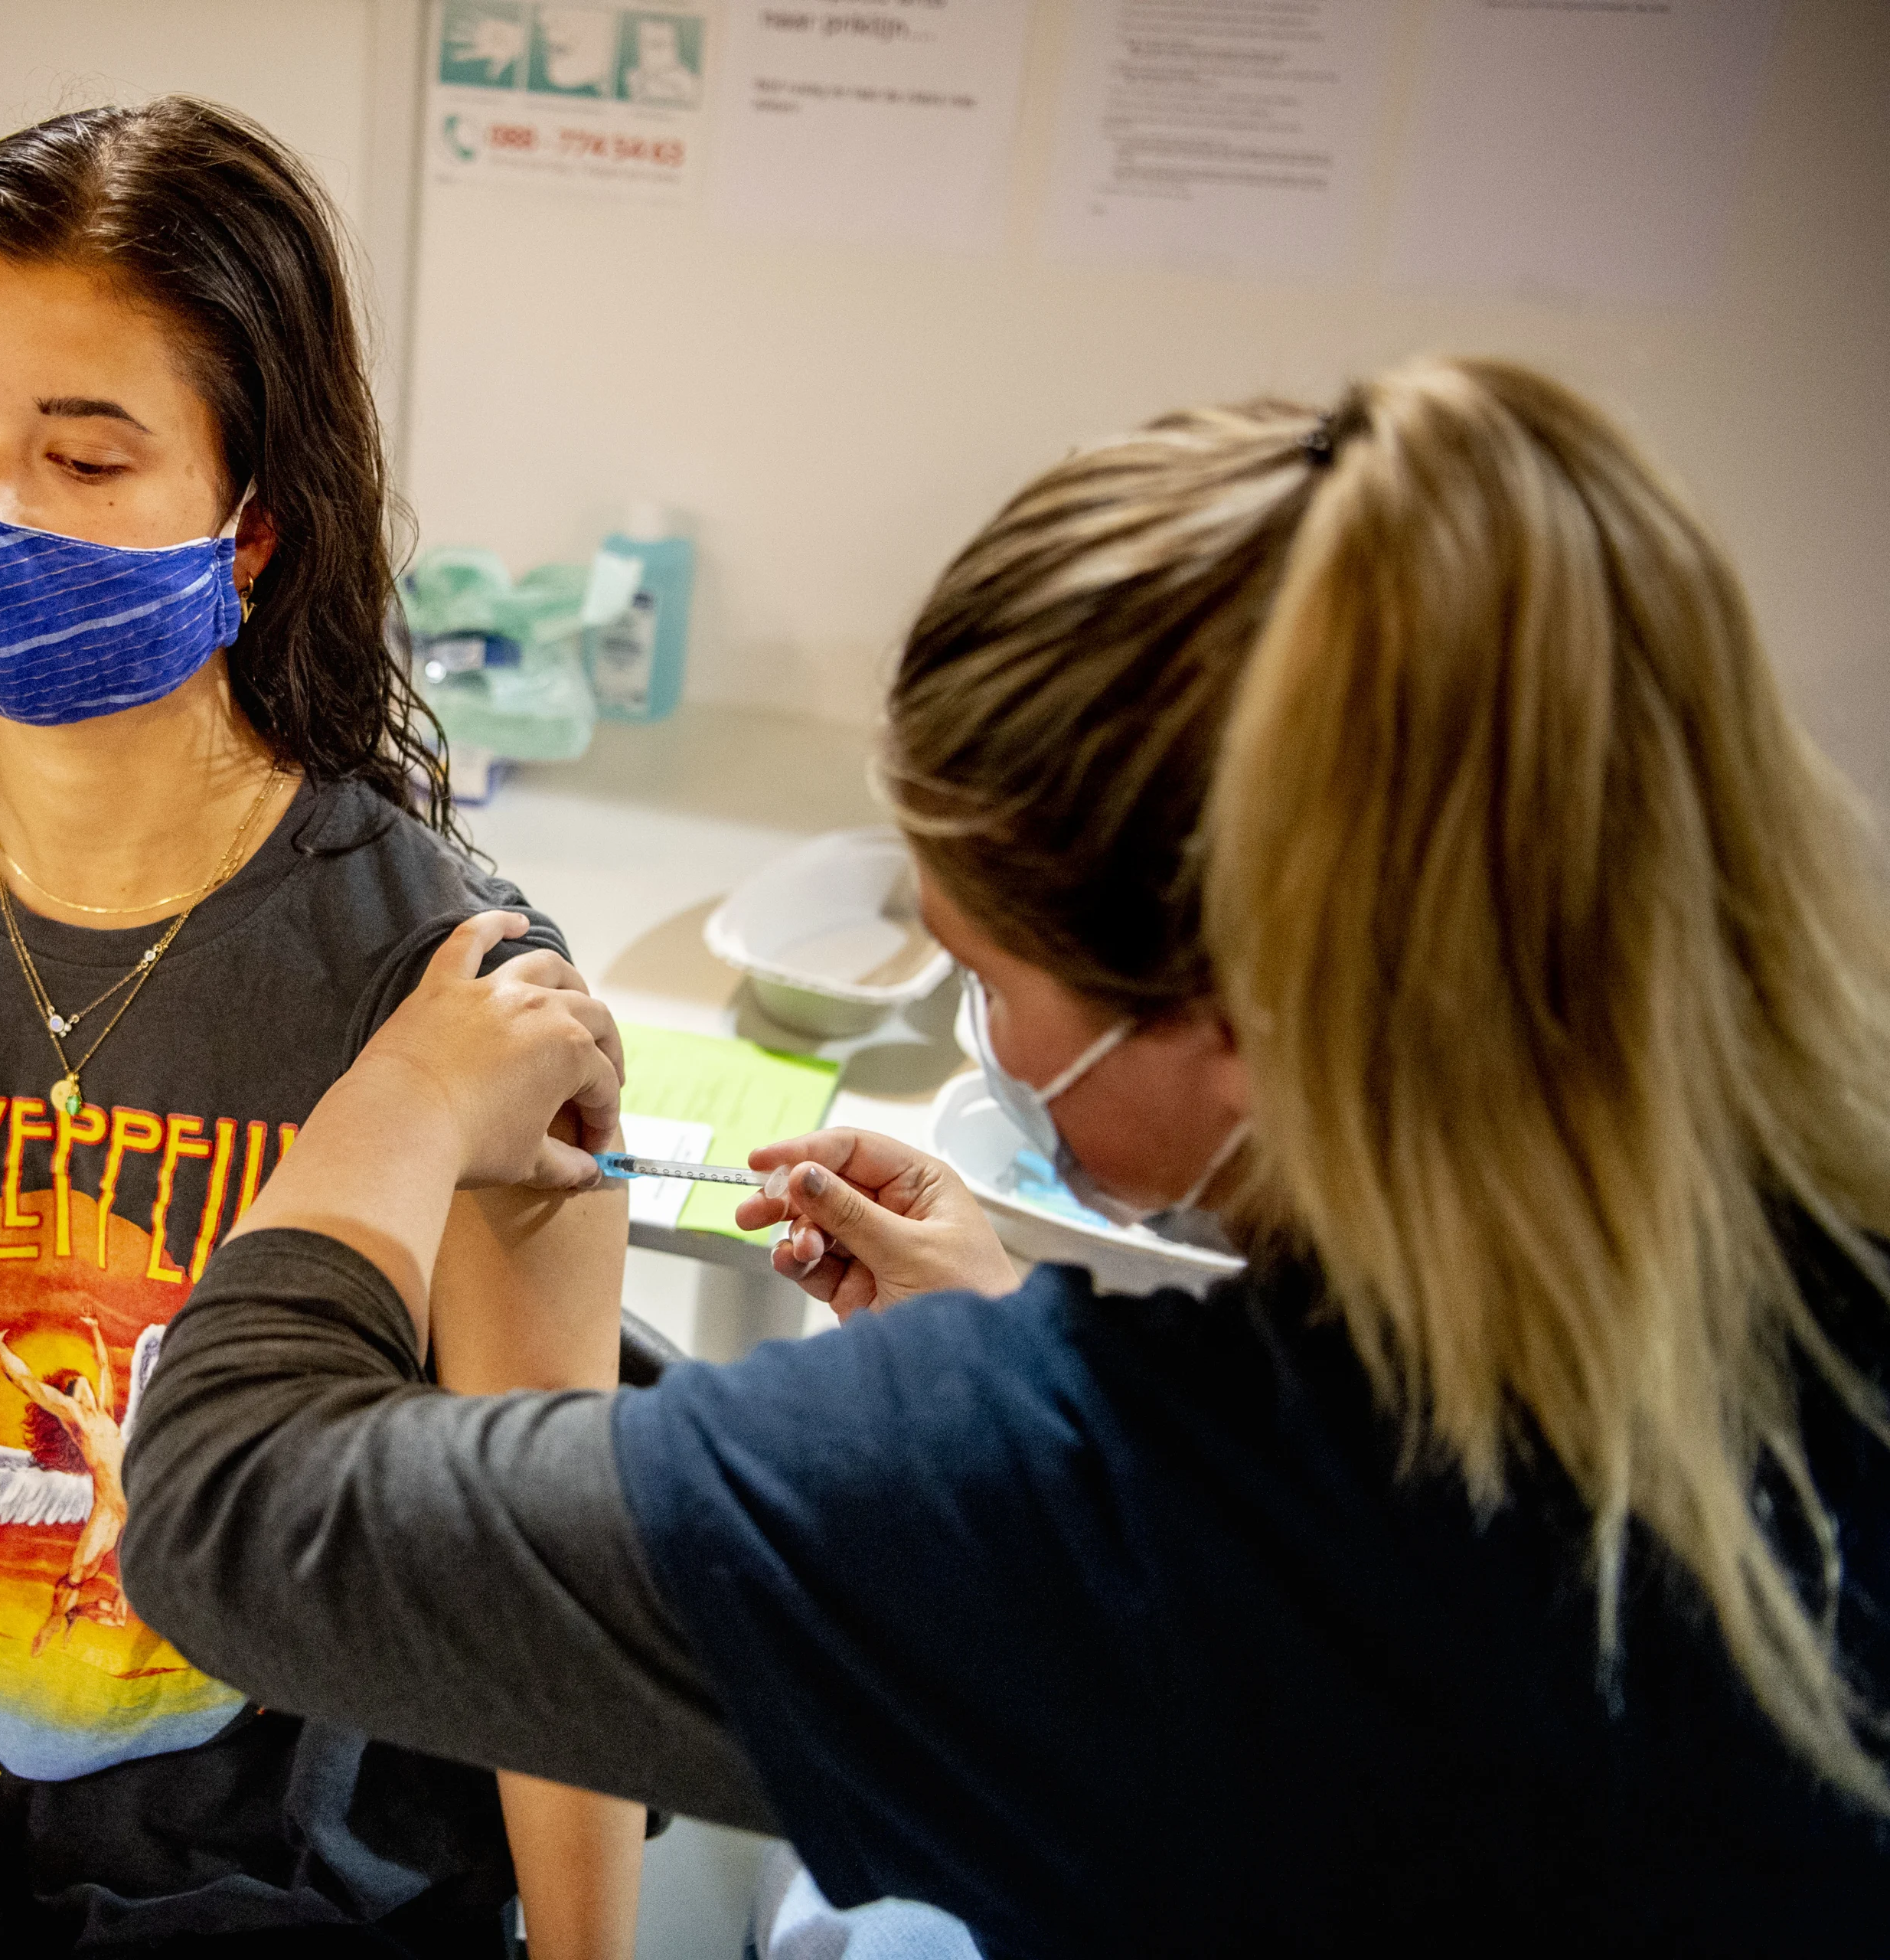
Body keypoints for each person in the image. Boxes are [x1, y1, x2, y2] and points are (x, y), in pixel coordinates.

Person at [118, 358, 1890, 1955]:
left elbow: (224, 1504)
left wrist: (407, 1094)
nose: (992, 1039)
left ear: (1243, 1010)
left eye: (984, 972)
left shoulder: (1084, 1516)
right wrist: (997, 1319)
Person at [0, 99, 644, 1959]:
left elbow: (540, 1601)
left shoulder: (447, 995)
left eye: (86, 455)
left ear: (256, 523)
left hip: (320, 1893)